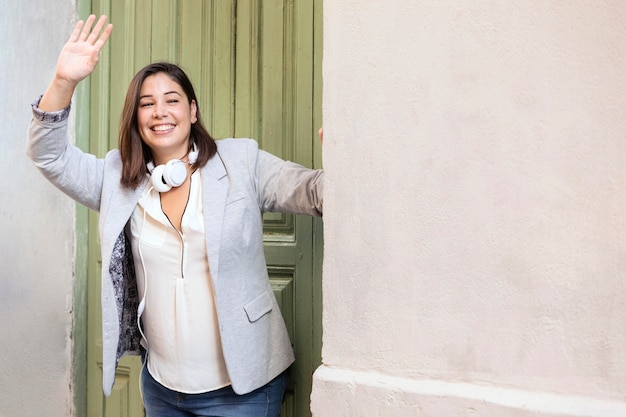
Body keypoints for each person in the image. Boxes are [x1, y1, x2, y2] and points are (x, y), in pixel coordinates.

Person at [27, 15, 323, 417]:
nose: (159, 112)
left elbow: (313, 192)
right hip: (163, 388)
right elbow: (50, 156)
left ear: (192, 110)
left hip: (243, 389)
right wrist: (64, 81)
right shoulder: (117, 179)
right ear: (136, 118)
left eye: (172, 100)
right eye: (146, 104)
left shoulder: (241, 161)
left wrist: (344, 150)